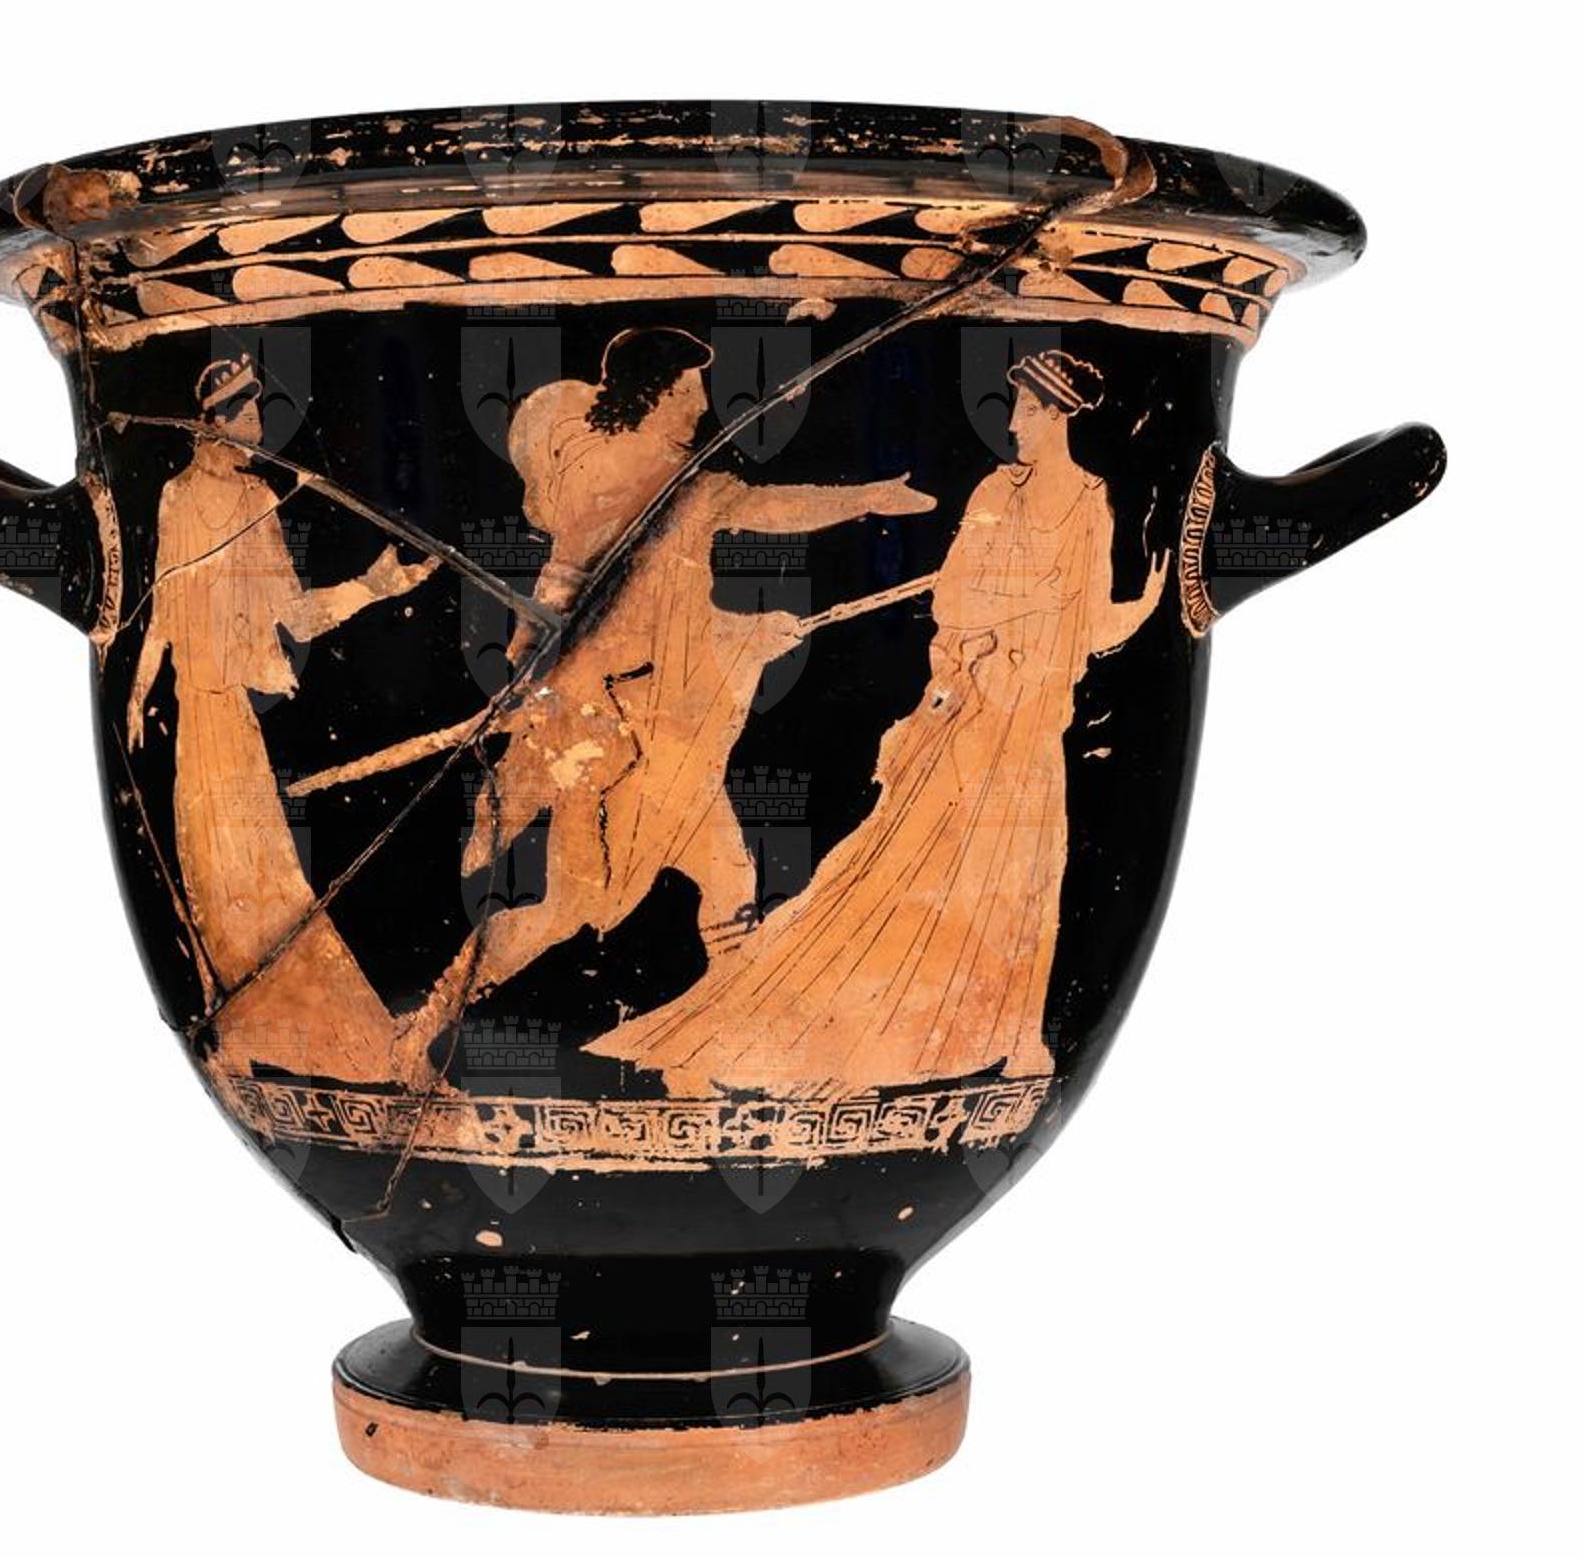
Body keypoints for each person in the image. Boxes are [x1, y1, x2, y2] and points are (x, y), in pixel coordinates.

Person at [588, 349, 1167, 1097]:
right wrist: (1034, 601)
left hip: (1030, 729)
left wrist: (1146, 604)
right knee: (900, 874)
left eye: (1027, 410)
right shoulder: (998, 490)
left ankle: (1016, 1034)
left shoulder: (1090, 501)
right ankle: (850, 1031)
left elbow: (1089, 626)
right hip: (970, 720)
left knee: (1029, 875)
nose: (1014, 424)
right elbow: (955, 601)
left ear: (1056, 415)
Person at [411, 327, 934, 1052]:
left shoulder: (680, 481)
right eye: (690, 389)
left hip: (670, 728)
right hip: (618, 731)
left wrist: (752, 628)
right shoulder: (631, 478)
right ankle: (433, 1016)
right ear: (654, 393)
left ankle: (731, 1039)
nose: (702, 405)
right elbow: (580, 584)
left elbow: (672, 604)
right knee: (570, 909)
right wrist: (529, 665)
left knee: (727, 880)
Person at [127, 355, 437, 1077]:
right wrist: (139, 693)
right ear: (217, 422)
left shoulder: (258, 500)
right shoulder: (177, 497)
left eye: (259, 413)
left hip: (230, 717)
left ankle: (308, 1025)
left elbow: (292, 616)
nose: (261, 428)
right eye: (249, 414)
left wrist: (373, 588)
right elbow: (163, 609)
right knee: (213, 869)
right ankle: (249, 1019)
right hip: (198, 715)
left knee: (258, 868)